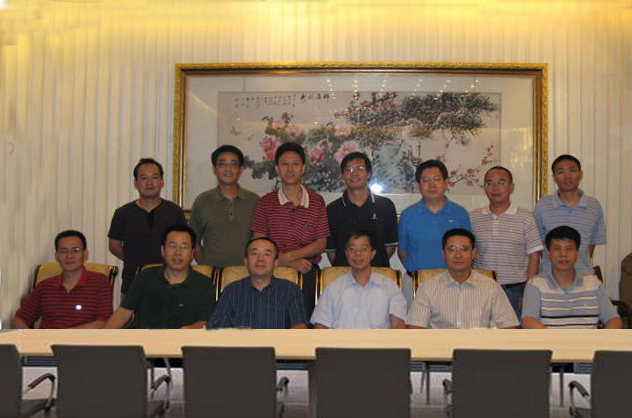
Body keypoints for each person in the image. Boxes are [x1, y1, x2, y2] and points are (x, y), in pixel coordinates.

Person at [251, 142, 329, 316]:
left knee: (303, 320)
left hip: (307, 271)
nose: (290, 169)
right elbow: (258, 241)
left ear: (303, 168)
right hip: (273, 270)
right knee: (272, 319)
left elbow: (321, 243)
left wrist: (290, 257)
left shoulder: (316, 201)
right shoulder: (265, 202)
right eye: (285, 164)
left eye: (295, 164)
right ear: (277, 169)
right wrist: (286, 261)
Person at [104, 224, 215, 329]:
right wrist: (103, 335)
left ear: (192, 253)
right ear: (162, 250)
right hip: (144, 340)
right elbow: (124, 312)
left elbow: (204, 322)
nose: (178, 252)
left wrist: (190, 330)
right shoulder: (146, 276)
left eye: (184, 247)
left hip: (182, 341)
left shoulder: (204, 284)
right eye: (172, 246)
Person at [406, 228, 519, 329]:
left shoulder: (491, 287)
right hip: (441, 345)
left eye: (464, 249)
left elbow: (508, 326)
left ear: (473, 254)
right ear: (444, 254)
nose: (458, 255)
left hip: (480, 345)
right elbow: (415, 326)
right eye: (452, 249)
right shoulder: (428, 287)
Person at [470, 166, 543, 318]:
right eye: (490, 183)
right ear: (484, 187)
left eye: (501, 183)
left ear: (511, 187)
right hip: (482, 288)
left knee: (514, 332)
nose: (495, 188)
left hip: (515, 290)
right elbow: (469, 255)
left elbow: (534, 256)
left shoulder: (525, 217)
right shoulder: (474, 217)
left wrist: (528, 291)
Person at [108, 158, 186, 294]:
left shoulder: (174, 211)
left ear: (162, 181)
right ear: (135, 183)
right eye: (144, 178)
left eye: (154, 177)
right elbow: (114, 246)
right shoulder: (123, 213)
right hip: (133, 284)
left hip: (169, 284)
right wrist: (133, 258)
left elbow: (185, 245)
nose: (149, 183)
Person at [522, 226, 622, 329]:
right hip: (551, 339)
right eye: (557, 248)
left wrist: (603, 338)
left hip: (588, 339)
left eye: (569, 249)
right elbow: (528, 320)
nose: (563, 254)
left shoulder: (593, 284)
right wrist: (555, 338)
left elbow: (614, 319)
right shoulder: (536, 285)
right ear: (548, 254)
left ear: (577, 254)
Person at [11, 230, 112, 329]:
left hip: (83, 339)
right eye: (63, 251)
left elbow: (104, 322)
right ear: (56, 256)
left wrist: (64, 336)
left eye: (75, 250)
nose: (69, 256)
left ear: (85, 254)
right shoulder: (44, 287)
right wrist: (34, 338)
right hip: (47, 339)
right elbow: (18, 320)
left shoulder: (100, 282)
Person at [311, 230, 407, 329]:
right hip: (342, 339)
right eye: (352, 249)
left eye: (364, 249)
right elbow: (320, 326)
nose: (358, 253)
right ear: (346, 253)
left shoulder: (389, 287)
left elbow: (398, 326)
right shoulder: (333, 288)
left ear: (373, 253)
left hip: (379, 339)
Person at [206, 237, 308, 329]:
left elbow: (300, 325)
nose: (260, 258)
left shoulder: (290, 289)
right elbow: (216, 327)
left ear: (275, 263)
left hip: (278, 344)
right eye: (254, 253)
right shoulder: (231, 290)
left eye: (267, 254)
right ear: (246, 261)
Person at [534, 154, 606, 278]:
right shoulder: (542, 206)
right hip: (549, 277)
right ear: (554, 177)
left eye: (572, 170)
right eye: (561, 172)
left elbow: (590, 245)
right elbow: (539, 244)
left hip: (583, 277)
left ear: (580, 174)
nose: (567, 176)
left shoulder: (594, 206)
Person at [189, 145, 259, 267]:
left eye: (233, 164)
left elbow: (260, 240)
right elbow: (194, 241)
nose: (228, 169)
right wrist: (205, 266)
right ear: (214, 169)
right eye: (222, 164)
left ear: (240, 169)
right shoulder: (202, 201)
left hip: (246, 272)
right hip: (212, 273)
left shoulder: (254, 201)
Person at [398, 159, 471, 275]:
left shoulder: (460, 213)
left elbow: (468, 250)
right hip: (416, 280)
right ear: (419, 185)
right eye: (426, 180)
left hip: (452, 280)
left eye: (437, 179)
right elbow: (402, 251)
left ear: (445, 183)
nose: (432, 185)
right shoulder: (407, 215)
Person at [326, 152, 398, 267]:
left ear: (369, 174)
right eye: (349, 170)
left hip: (378, 272)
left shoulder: (386, 206)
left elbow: (390, 246)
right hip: (344, 273)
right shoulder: (332, 210)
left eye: (360, 168)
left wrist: (368, 268)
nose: (354, 174)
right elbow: (332, 251)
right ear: (342, 175)